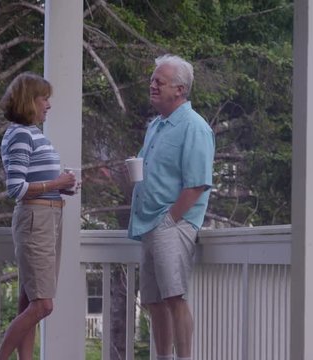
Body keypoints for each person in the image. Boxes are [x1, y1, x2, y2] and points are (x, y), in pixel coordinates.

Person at [128, 54, 215, 360]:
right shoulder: (157, 125)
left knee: (174, 297)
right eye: (152, 80)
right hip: (149, 222)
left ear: (179, 89)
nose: (152, 85)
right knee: (153, 300)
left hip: (172, 224)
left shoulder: (194, 127)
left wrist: (171, 219)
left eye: (159, 81)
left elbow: (198, 182)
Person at [0, 72, 76, 360]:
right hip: (35, 220)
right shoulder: (19, 135)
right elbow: (16, 188)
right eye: (44, 99)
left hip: (50, 217)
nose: (48, 105)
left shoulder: (33, 134)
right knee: (43, 305)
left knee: (30, 300)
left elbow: (37, 180)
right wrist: (57, 184)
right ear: (30, 100)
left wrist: (64, 187)